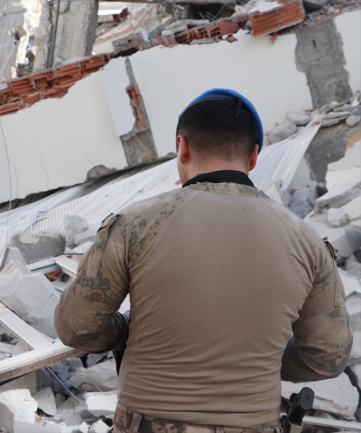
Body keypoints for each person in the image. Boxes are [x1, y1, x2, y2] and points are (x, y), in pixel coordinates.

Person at [54, 89, 352, 431]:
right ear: (254, 156)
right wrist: (260, 356)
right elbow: (329, 357)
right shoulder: (306, 241)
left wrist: (127, 330)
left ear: (182, 148)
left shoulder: (135, 224)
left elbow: (75, 326)